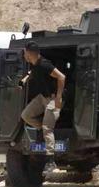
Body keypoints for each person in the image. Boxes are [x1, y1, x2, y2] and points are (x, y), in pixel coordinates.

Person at [19, 41, 66, 173]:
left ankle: (51, 161)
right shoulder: (34, 64)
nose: (24, 55)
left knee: (47, 127)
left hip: (53, 98)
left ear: (29, 53)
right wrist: (24, 80)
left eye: (24, 52)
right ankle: (44, 131)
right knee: (26, 115)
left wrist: (58, 97)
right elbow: (32, 72)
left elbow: (62, 77)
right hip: (43, 97)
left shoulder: (45, 64)